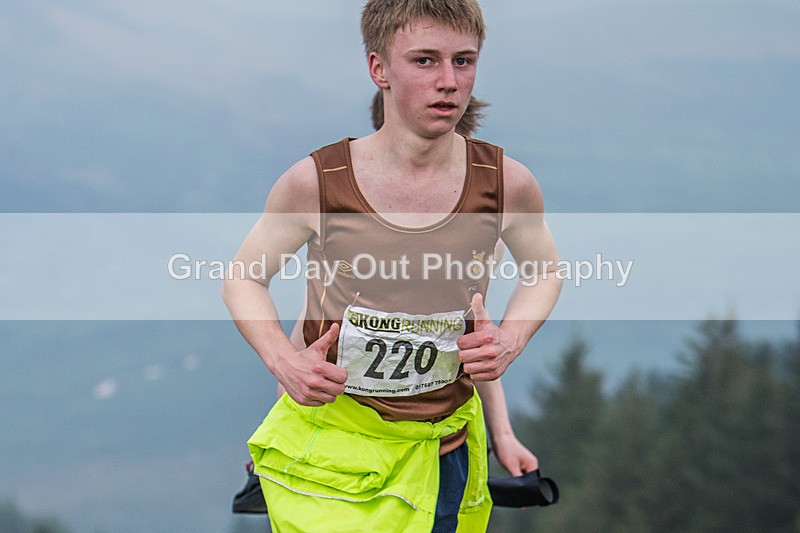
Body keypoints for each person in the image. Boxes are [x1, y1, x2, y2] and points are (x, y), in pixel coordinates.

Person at [221, 1, 561, 531]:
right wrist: (284, 365)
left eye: (463, 61)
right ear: (379, 68)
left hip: (445, 454)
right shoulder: (317, 181)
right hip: (335, 455)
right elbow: (244, 277)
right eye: (425, 61)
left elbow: (538, 276)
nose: (449, 81)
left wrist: (508, 347)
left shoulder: (505, 185)